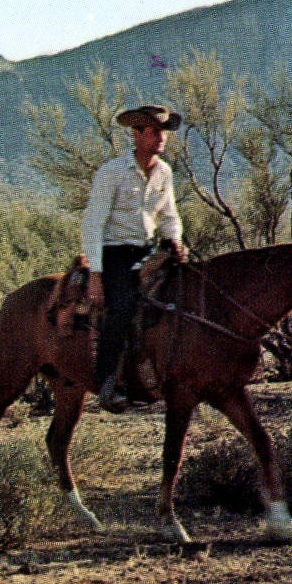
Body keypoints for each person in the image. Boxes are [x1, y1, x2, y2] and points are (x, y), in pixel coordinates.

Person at [76, 104, 187, 413]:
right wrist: (96, 274)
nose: (162, 137)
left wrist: (175, 240)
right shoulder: (112, 172)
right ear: (137, 134)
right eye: (155, 131)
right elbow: (93, 223)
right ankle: (108, 381)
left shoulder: (164, 172)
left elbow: (169, 216)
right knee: (122, 306)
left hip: (148, 252)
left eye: (165, 131)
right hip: (114, 254)